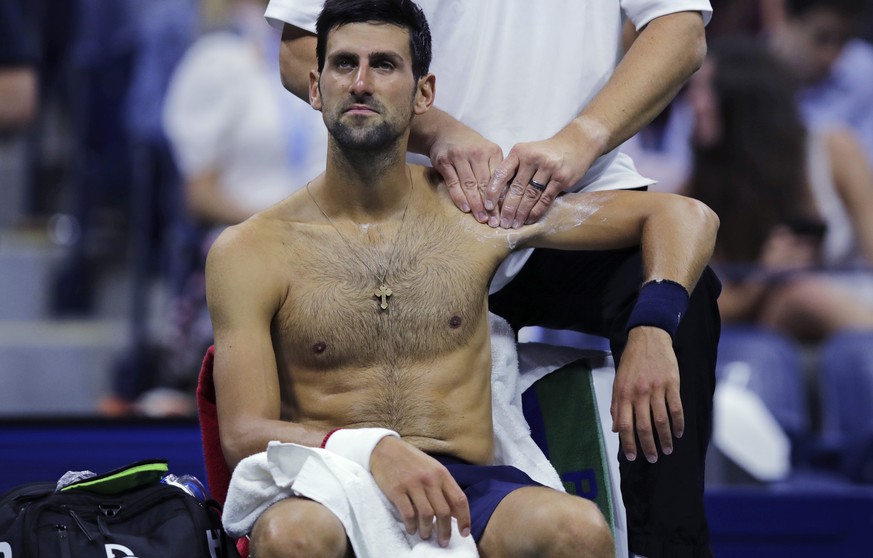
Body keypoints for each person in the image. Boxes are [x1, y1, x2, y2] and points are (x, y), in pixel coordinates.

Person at [207, 1, 719, 556]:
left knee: (579, 530)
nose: (360, 83)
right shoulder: (252, 248)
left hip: (466, 482)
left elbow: (684, 215)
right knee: (291, 536)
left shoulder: (476, 219)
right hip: (330, 480)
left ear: (423, 93)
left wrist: (652, 325)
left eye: (383, 65)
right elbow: (241, 436)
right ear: (315, 85)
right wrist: (372, 449)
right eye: (344, 65)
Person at [684, 38, 873, 343]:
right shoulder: (699, 187)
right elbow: (702, 308)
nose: (693, 103)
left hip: (853, 303)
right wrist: (764, 275)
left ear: (743, 99)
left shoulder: (834, 150)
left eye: (705, 90)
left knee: (802, 294)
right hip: (767, 324)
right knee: (793, 297)